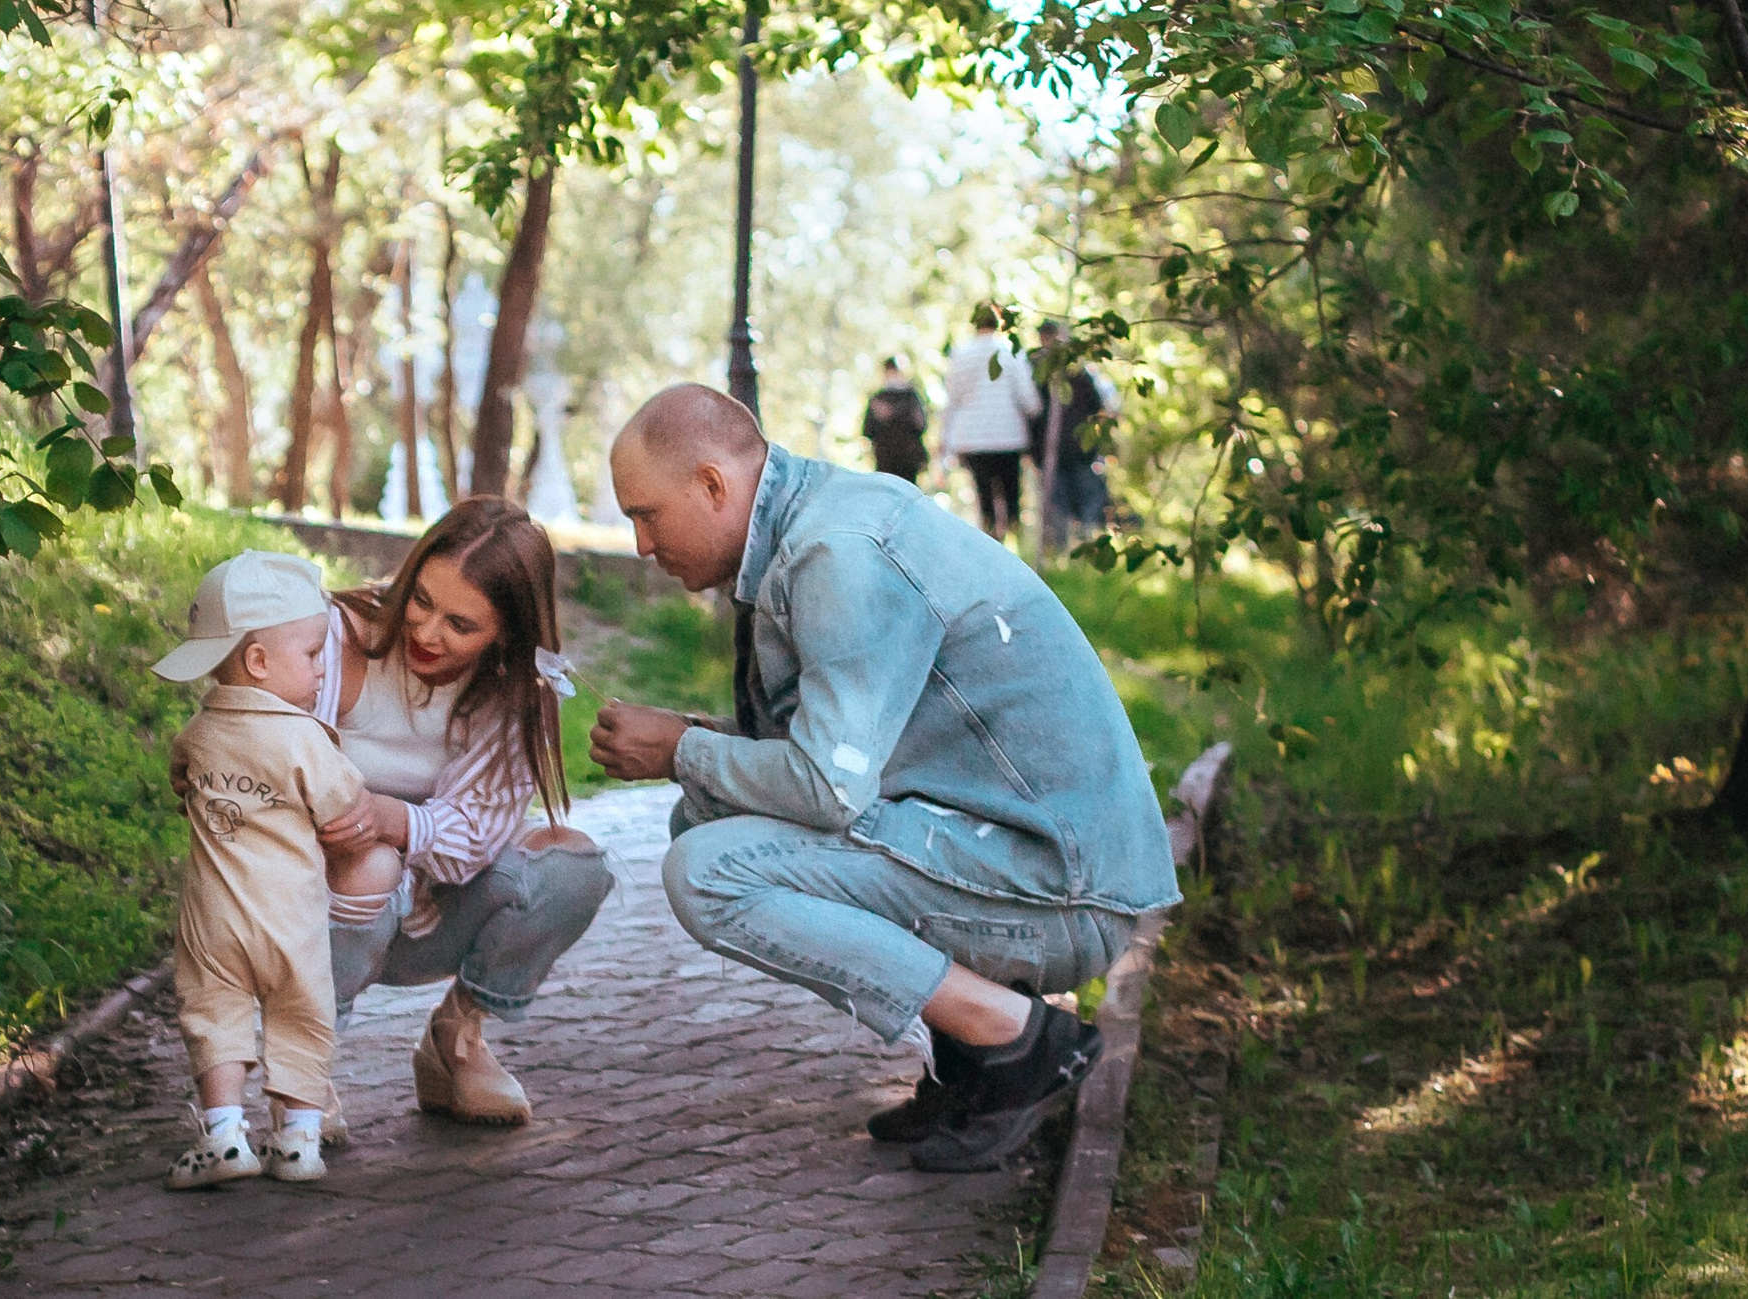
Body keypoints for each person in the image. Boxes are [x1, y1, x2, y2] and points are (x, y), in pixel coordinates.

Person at [591, 385, 1179, 1173]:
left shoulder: (840, 554)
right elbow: (834, 762)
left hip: (1065, 895)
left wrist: (679, 750)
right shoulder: (820, 526)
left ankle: (1015, 1039)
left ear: (712, 486)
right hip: (1024, 860)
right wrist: (690, 745)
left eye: (647, 514)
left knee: (707, 869)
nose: (638, 543)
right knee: (705, 818)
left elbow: (825, 791)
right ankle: (966, 1056)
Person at [311, 497, 614, 1127]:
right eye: (420, 599)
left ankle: (456, 1039)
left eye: (460, 624)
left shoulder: (517, 693)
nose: (426, 633)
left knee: (573, 866)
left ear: (507, 630)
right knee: (368, 863)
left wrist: (396, 821)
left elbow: (470, 842)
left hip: (423, 910)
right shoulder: (330, 636)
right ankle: (299, 1064)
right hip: (310, 903)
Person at [152, 552, 403, 1189]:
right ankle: (297, 1141)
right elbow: (346, 807)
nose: (323, 669)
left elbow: (182, 776)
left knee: (214, 1014)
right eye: (315, 655)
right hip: (289, 920)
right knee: (301, 1015)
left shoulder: (201, 729)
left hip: (213, 922)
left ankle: (225, 1135)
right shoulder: (304, 739)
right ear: (260, 662)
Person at [940, 302, 1041, 539]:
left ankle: (991, 538)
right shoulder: (1010, 350)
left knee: (984, 496)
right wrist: (1035, 415)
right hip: (1009, 437)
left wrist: (946, 442)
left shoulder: (961, 354)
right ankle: (1014, 543)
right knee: (1011, 494)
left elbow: (952, 401)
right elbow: (1029, 400)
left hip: (973, 439)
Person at [1032, 319, 1121, 550]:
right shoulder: (1035, 370)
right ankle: (1063, 548)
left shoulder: (1078, 370)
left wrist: (1099, 443)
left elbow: (1097, 406)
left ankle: (1088, 544)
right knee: (1058, 502)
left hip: (1081, 449)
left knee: (1088, 498)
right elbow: (1032, 411)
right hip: (1050, 451)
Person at [860, 357, 931, 482]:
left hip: (908, 458)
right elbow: (868, 430)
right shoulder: (878, 397)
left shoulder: (911, 396)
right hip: (885, 457)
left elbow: (920, 424)